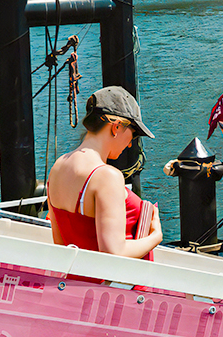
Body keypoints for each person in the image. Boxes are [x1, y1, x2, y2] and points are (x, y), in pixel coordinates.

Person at [46, 87, 163, 258]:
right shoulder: (106, 176)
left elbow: (60, 242)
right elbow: (114, 252)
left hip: (74, 279)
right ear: (116, 127)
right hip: (112, 284)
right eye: (134, 134)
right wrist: (156, 236)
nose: (131, 144)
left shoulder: (58, 167)